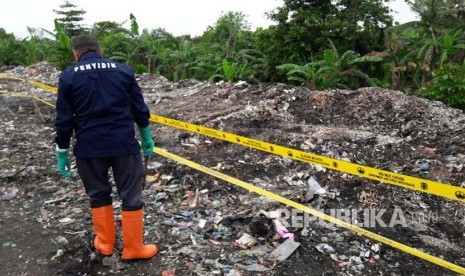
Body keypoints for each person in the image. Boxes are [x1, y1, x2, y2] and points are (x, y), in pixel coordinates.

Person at [54, 34, 157, 260]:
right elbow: (139, 106)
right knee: (131, 194)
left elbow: (64, 119)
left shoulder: (68, 76)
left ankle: (105, 245)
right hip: (124, 145)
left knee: (98, 194)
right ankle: (134, 248)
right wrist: (146, 135)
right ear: (100, 50)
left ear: (75, 53)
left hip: (89, 148)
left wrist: (62, 151)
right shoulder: (122, 71)